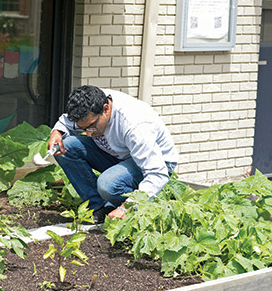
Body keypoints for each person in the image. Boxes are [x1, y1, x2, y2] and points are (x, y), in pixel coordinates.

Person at [48, 85, 178, 224]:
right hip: (118, 155)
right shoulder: (90, 104)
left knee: (108, 184)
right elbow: (66, 121)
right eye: (84, 129)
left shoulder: (135, 126)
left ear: (106, 109)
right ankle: (99, 207)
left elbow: (157, 173)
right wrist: (57, 132)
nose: (89, 133)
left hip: (155, 164)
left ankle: (142, 210)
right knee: (67, 147)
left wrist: (127, 207)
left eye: (92, 126)